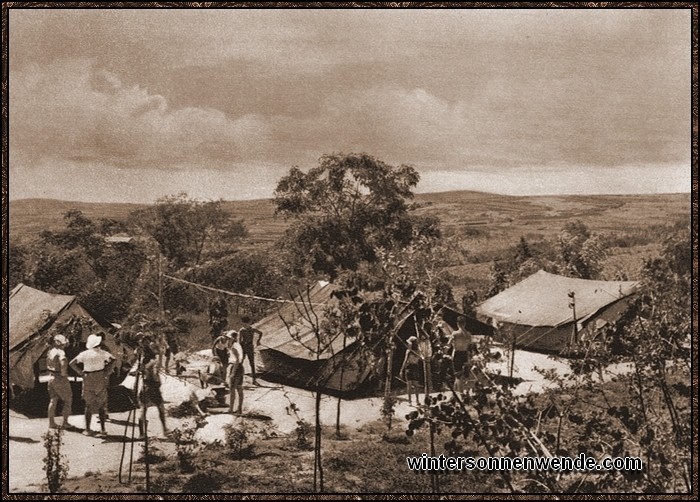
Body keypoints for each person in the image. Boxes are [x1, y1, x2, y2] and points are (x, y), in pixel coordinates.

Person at [69, 333, 115, 437]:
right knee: (102, 405)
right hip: (100, 377)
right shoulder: (103, 353)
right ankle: (103, 430)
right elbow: (113, 360)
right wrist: (107, 371)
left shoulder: (84, 354)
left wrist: (80, 373)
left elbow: (72, 363)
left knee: (88, 405)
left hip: (88, 378)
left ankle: (88, 429)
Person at [137, 335, 169, 438]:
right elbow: (155, 372)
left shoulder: (142, 361)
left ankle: (141, 434)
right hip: (153, 387)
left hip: (145, 386)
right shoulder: (153, 362)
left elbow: (140, 371)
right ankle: (165, 430)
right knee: (160, 408)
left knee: (143, 409)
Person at [46, 334, 74, 430]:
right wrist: (64, 374)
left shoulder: (51, 351)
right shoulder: (61, 352)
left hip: (51, 376)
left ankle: (51, 422)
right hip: (59, 377)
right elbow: (63, 362)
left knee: (53, 400)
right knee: (68, 399)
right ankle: (65, 422)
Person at [238, 316, 263, 385]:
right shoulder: (242, 330)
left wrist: (258, 341)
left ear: (248, 323)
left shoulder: (252, 329)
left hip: (249, 347)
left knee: (252, 363)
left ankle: (254, 380)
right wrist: (240, 347)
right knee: (240, 362)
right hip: (243, 347)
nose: (245, 325)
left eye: (246, 323)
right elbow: (239, 340)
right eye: (244, 324)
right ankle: (239, 378)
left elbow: (260, 333)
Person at [225, 330, 245, 415]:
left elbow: (236, 360)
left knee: (232, 389)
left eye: (229, 338)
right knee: (239, 388)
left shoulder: (233, 347)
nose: (228, 340)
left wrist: (233, 372)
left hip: (236, 367)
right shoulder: (238, 345)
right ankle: (239, 409)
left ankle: (231, 409)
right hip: (240, 367)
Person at [399, 336, 422, 405]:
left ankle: (410, 401)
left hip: (410, 367)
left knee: (410, 385)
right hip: (415, 367)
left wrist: (401, 370)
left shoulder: (410, 351)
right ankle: (417, 400)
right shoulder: (417, 351)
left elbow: (405, 361)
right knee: (415, 385)